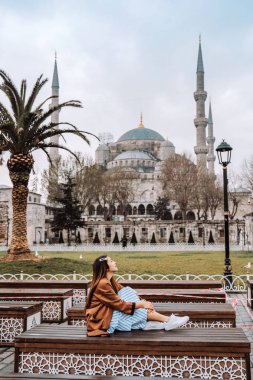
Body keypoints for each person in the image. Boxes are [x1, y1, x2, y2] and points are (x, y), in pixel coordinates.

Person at [85, 255, 189, 336]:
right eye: (111, 261)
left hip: (109, 315)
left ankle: (150, 323)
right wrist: (143, 304)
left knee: (127, 291)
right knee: (136, 307)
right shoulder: (102, 284)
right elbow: (120, 305)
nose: (115, 262)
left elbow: (126, 293)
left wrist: (142, 302)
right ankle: (168, 320)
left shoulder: (110, 281)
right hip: (103, 321)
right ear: (105, 267)